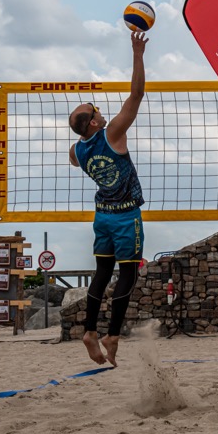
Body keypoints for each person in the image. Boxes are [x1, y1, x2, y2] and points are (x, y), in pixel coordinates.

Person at [68, 30, 148, 366]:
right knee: (128, 274)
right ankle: (112, 335)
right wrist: (137, 54)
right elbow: (136, 95)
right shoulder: (111, 133)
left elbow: (76, 158)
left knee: (102, 273)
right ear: (93, 122)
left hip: (102, 215)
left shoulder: (76, 151)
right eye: (95, 110)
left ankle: (90, 331)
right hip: (125, 215)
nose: (100, 110)